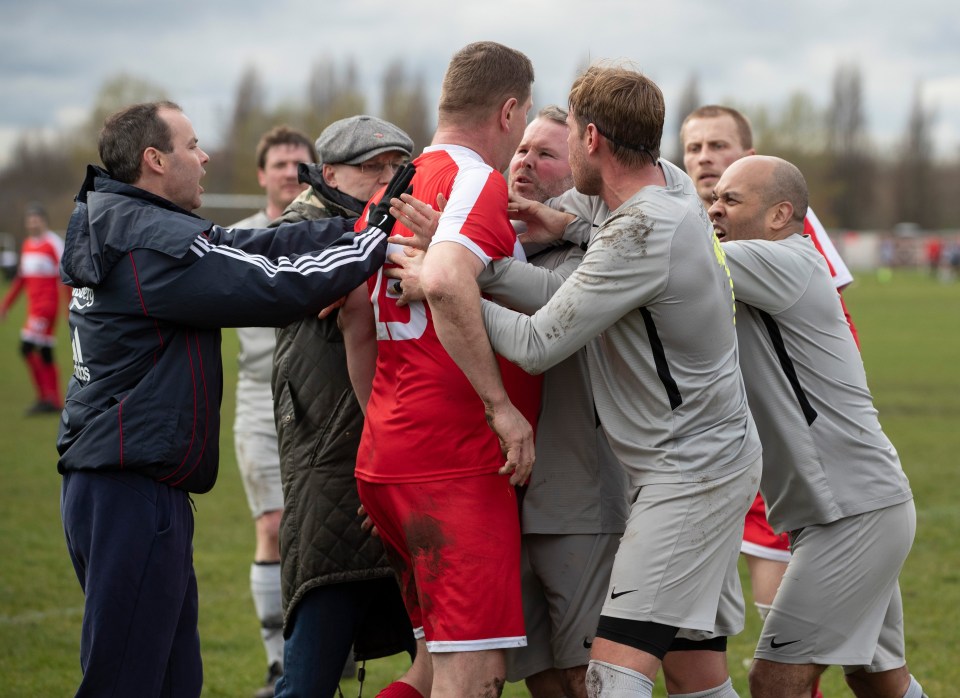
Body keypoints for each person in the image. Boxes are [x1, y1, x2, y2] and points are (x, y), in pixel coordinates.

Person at [56, 100, 412, 698]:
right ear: (154, 160)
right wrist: (374, 244)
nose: (205, 156)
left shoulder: (139, 225)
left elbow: (254, 246)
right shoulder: (149, 245)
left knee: (173, 680)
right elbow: (271, 284)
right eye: (192, 145)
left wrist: (359, 225)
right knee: (126, 682)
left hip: (134, 485)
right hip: (127, 489)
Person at [479, 65, 762, 698]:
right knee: (694, 670)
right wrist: (517, 255)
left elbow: (536, 342)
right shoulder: (671, 187)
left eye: (571, 131)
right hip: (715, 460)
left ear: (592, 139)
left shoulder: (637, 230)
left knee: (611, 670)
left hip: (693, 474)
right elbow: (584, 277)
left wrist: (442, 286)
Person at [339, 41, 537, 698]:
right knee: (473, 675)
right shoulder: (476, 180)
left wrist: (384, 433)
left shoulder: (395, 186)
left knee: (429, 665)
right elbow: (448, 285)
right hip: (453, 462)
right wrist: (499, 407)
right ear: (509, 111)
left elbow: (353, 320)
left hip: (392, 456)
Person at [708, 155, 927, 698]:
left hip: (853, 513)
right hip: (854, 508)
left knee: (774, 679)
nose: (713, 207)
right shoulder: (770, 264)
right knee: (879, 679)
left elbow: (676, 255)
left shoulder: (783, 260)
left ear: (781, 214)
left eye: (730, 200)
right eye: (713, 197)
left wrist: (575, 222)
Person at [681, 106, 859, 671]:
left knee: (788, 628)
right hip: (702, 449)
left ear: (752, 155)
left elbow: (833, 319)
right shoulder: (673, 211)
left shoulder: (785, 225)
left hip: (776, 445)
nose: (705, 157)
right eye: (693, 148)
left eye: (719, 145)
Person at [267, 115, 425, 698]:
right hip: (336, 464)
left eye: (395, 166)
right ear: (328, 173)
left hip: (401, 460)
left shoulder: (398, 226)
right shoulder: (307, 233)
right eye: (370, 167)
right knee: (312, 670)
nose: (387, 178)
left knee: (447, 664)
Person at [485, 105, 629, 698]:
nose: (523, 162)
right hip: (501, 489)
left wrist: (456, 267)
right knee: (541, 673)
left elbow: (554, 301)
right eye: (520, 149)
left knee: (584, 674)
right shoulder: (510, 240)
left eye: (545, 154)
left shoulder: (605, 247)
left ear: (576, 169)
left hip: (576, 492)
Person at [229, 125, 318, 698]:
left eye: (299, 163)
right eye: (279, 164)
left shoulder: (332, 232)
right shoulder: (236, 238)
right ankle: (277, 665)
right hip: (259, 399)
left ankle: (323, 654)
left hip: (323, 402)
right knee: (272, 527)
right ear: (262, 174)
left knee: (314, 534)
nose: (289, 171)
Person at [0, 203, 66, 414]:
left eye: (36, 218)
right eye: (30, 219)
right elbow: (21, 280)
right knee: (44, 351)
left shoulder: (53, 244)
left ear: (43, 220)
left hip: (46, 308)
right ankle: (51, 399)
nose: (33, 222)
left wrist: (71, 306)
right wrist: (6, 305)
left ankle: (47, 398)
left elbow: (67, 276)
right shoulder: (27, 245)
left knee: (26, 347)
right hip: (33, 308)